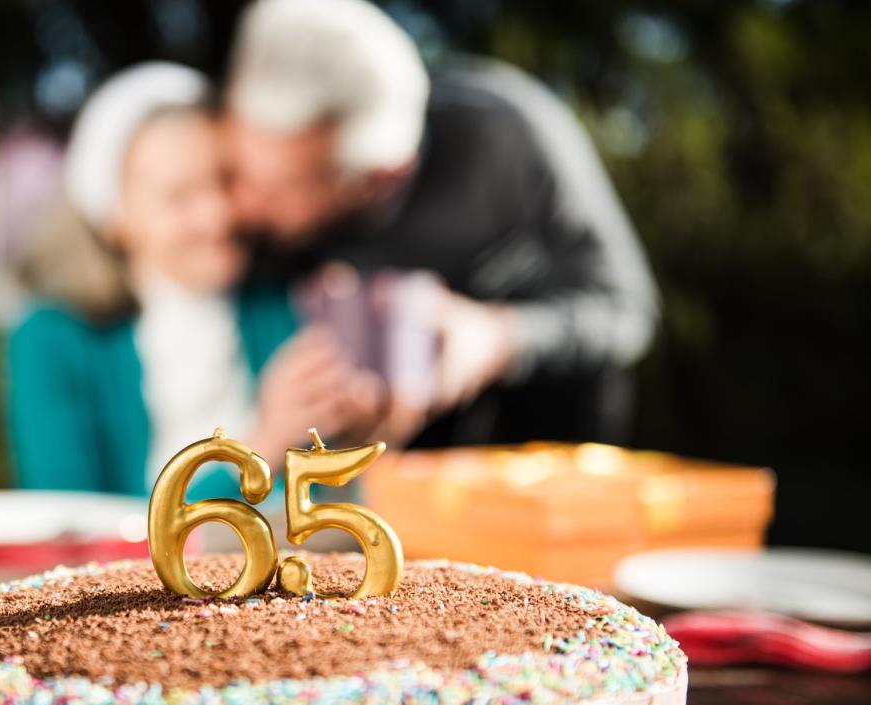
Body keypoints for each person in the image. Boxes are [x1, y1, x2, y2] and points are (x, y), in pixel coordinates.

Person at [224, 0, 660, 447]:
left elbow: (625, 309)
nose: (242, 204)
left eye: (283, 189)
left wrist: (500, 338)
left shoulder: (504, 138)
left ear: (377, 180)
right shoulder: (244, 202)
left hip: (543, 452)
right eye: (236, 168)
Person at [8, 62, 384, 497]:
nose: (217, 215)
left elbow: (322, 496)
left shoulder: (274, 306)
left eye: (224, 181)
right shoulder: (51, 339)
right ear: (116, 218)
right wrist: (260, 445)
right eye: (179, 197)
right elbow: (71, 527)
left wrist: (353, 427)